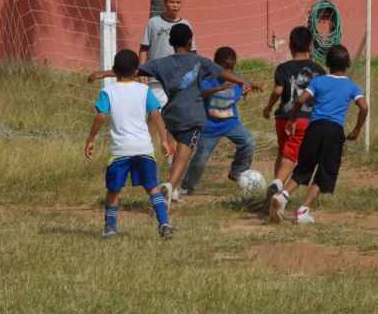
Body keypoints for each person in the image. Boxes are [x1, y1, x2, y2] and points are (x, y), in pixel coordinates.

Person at [90, 23, 261, 205]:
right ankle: (170, 187)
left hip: (171, 115)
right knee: (183, 156)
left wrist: (104, 74)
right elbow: (224, 73)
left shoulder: (161, 63)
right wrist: (245, 82)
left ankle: (173, 189)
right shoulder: (200, 61)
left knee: (178, 151)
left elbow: (132, 71)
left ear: (171, 42)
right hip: (192, 117)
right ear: (190, 42)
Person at [268, 44, 368, 225]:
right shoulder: (352, 86)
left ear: (327, 63)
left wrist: (292, 120)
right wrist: (357, 130)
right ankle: (303, 209)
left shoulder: (318, 81)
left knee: (304, 167)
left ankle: (283, 194)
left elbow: (300, 100)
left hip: (313, 128)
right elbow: (364, 107)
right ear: (348, 63)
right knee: (325, 172)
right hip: (334, 131)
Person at [85, 49, 174, 240]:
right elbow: (156, 114)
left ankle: (110, 229)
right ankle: (164, 223)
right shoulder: (144, 90)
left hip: (120, 151)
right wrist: (164, 139)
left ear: (114, 69)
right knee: (152, 187)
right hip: (144, 149)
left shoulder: (108, 91)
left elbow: (101, 116)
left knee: (113, 190)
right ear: (136, 71)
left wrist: (90, 139)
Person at [180, 46, 256, 195]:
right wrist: (219, 88)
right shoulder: (208, 78)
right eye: (224, 67)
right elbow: (203, 92)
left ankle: (237, 172)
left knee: (249, 142)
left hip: (231, 123)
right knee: (201, 158)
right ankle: (187, 186)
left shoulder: (236, 79)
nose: (228, 71)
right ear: (215, 64)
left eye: (231, 67)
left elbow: (245, 84)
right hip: (209, 127)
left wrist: (249, 87)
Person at [261, 26, 326, 199]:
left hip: (283, 118)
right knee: (291, 156)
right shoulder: (319, 71)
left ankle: (276, 187)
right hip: (304, 120)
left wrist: (268, 108)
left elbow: (277, 91)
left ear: (290, 45)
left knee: (283, 152)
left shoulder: (283, 68)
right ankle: (278, 184)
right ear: (310, 47)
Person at [139, 0, 195, 107]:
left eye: (178, 2)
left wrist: (191, 74)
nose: (175, 5)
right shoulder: (153, 22)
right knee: (156, 113)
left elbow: (192, 53)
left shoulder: (185, 24)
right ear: (164, 3)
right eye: (171, 2)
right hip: (156, 79)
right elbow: (144, 48)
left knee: (176, 113)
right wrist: (142, 71)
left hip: (179, 79)